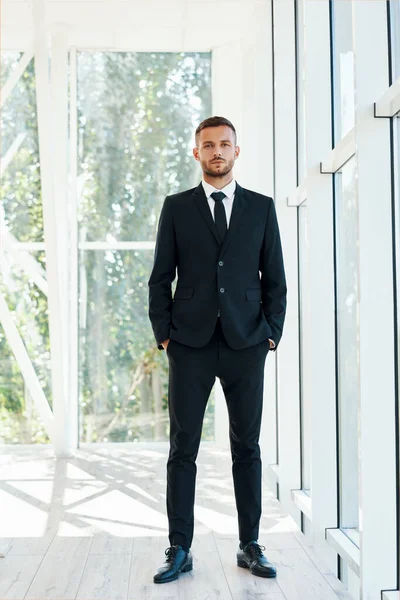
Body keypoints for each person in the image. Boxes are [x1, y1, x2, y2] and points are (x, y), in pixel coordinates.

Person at [148, 116, 287, 584]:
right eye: (208, 145)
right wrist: (164, 334)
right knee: (182, 448)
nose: (216, 152)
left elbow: (277, 282)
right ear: (196, 153)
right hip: (189, 344)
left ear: (237, 150)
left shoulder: (262, 208)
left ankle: (250, 545)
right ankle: (179, 548)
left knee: (246, 447)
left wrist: (272, 333)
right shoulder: (176, 207)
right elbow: (159, 277)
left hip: (248, 343)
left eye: (224, 144)